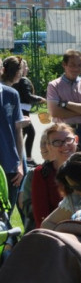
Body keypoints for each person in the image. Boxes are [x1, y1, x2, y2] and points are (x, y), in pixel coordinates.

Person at [46, 49, 81, 153]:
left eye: (79, 65)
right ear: (64, 65)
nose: (76, 69)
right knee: (63, 165)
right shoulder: (54, 85)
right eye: (72, 65)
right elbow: (55, 112)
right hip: (62, 132)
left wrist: (66, 104)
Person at [31, 123, 77, 227]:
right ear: (49, 146)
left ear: (76, 140)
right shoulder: (42, 174)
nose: (65, 145)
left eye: (68, 140)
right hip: (56, 233)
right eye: (57, 142)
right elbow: (41, 216)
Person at [4, 57, 41, 164]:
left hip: (22, 111)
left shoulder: (12, 87)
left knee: (24, 134)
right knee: (23, 134)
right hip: (23, 111)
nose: (27, 68)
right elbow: (28, 96)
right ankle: (25, 159)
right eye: (24, 67)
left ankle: (25, 158)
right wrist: (40, 99)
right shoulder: (21, 82)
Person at [0, 72, 24, 203]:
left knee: (5, 217)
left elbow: (18, 130)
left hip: (10, 166)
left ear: (2, 70)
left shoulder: (12, 94)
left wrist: (20, 164)